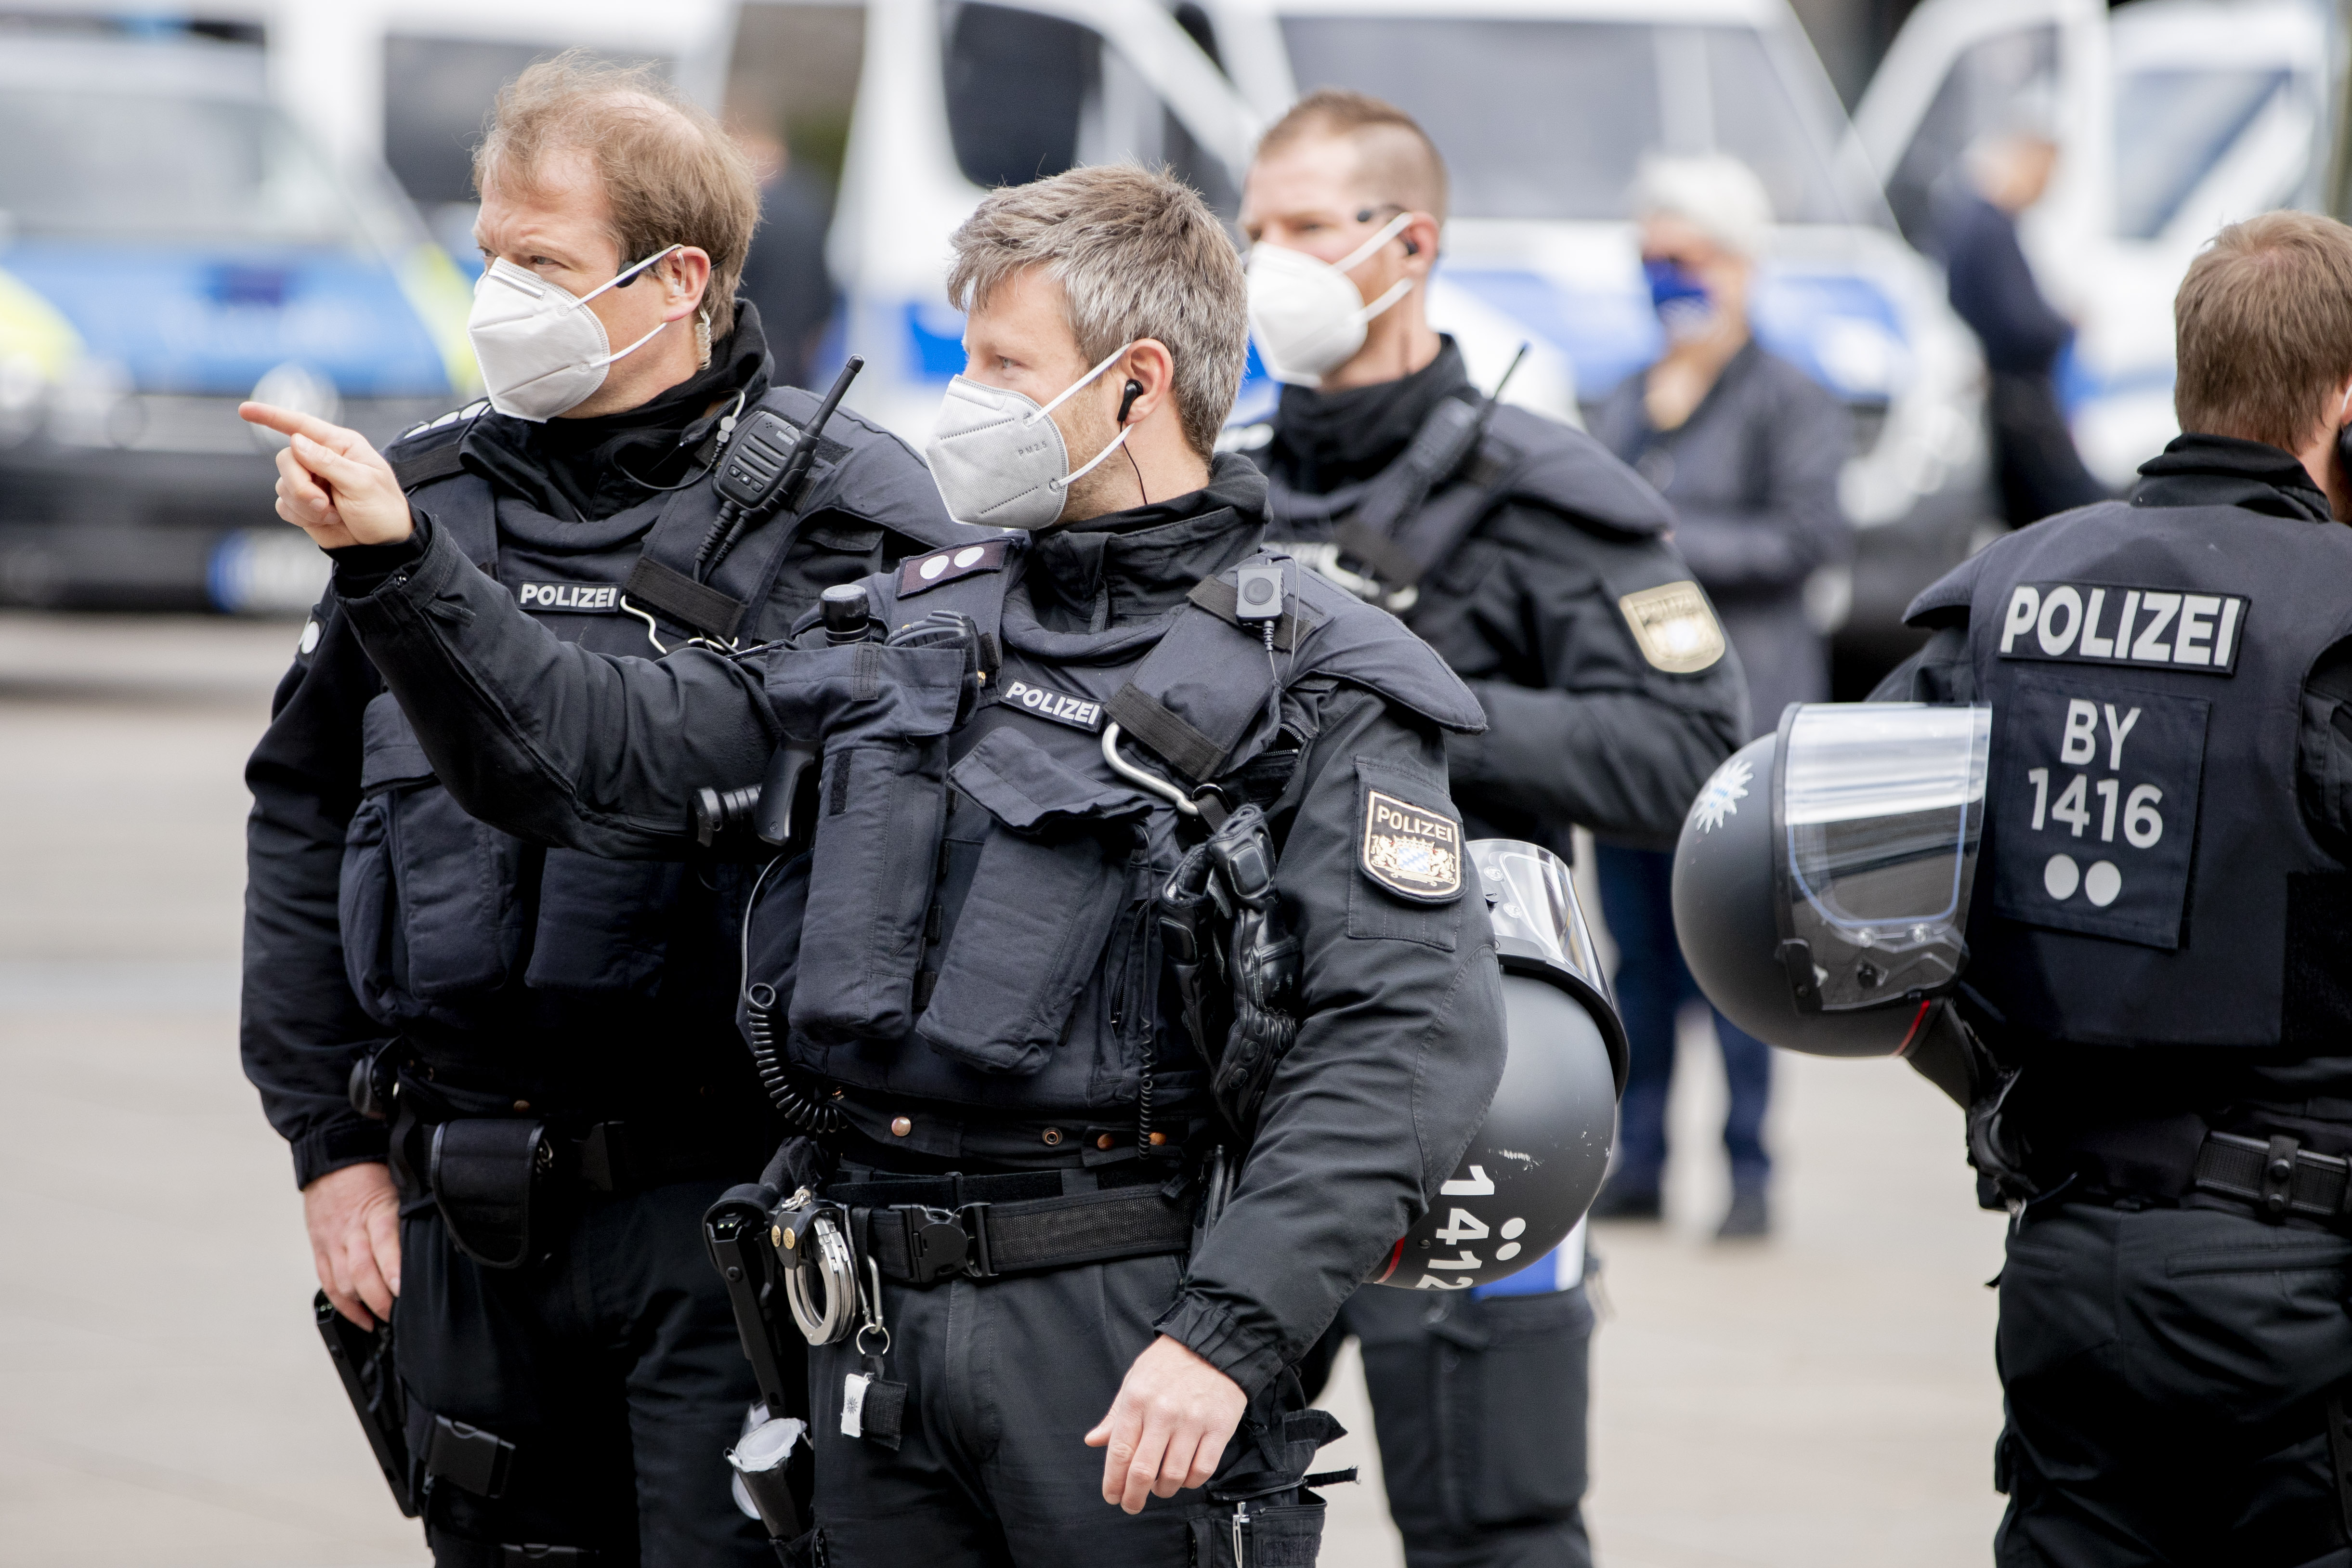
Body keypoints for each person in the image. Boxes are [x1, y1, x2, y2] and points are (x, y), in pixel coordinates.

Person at [243, 162, 1508, 1568]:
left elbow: (1394, 1053)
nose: (964, 393)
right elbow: (605, 749)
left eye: (1000, 361)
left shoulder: (1322, 684)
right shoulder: (905, 625)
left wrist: (1224, 1335)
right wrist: (403, 565)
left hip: (1121, 1324)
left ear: (1136, 384)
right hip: (866, 1333)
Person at [239, 56, 965, 1568]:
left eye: (542, 262)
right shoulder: (422, 491)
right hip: (461, 1206)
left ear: (673, 276)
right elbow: (299, 807)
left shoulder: (847, 517)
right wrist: (328, 1146)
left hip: (718, 1200)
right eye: (489, 252)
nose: (498, 290)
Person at [1236, 93, 1749, 1568]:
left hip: (1478, 1076)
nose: (1270, 262)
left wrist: (1403, 704)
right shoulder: (1224, 479)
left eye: (1304, 229)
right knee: (1190, 1508)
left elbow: (1691, 754)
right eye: (1252, 227)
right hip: (1234, 1068)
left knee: (1497, 1520)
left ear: (1409, 245)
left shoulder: (1545, 497)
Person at [1875, 209, 2352, 1564]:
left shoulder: (1998, 600)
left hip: (2067, 1262)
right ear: (2341, 400)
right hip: (2299, 1280)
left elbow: (1821, 898)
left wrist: (1976, 1068)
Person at [1587, 154, 1851, 1240]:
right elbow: (1584, 526)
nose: (1667, 278)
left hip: (1744, 728)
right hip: (1635, 721)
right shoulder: (1622, 396)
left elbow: (1806, 538)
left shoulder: (1794, 397)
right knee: (1640, 959)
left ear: (1740, 265)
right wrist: (1656, 425)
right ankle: (1639, 1159)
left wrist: (1669, 541)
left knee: (1746, 962)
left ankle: (1748, 1171)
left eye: (1685, 257)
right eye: (1651, 259)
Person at [1936, 119, 2108, 527]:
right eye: (2047, 174)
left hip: (2005, 398)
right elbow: (2020, 323)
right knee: (2073, 516)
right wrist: (2064, 325)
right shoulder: (1991, 228)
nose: (2048, 188)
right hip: (2020, 403)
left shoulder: (1973, 221)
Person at [734, 128, 834, 391]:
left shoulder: (747, 213)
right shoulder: (809, 204)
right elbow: (823, 285)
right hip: (796, 345)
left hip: (750, 340)